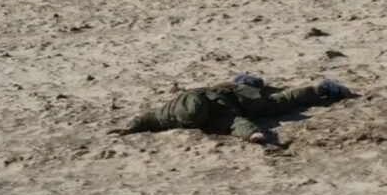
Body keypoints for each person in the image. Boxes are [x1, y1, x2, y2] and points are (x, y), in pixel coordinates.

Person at [109, 73, 354, 145]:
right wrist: (129, 128)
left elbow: (238, 123)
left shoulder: (218, 113)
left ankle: (324, 89)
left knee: (283, 101)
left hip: (246, 99)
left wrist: (253, 134)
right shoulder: (174, 111)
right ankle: (247, 79)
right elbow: (149, 118)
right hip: (230, 87)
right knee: (254, 87)